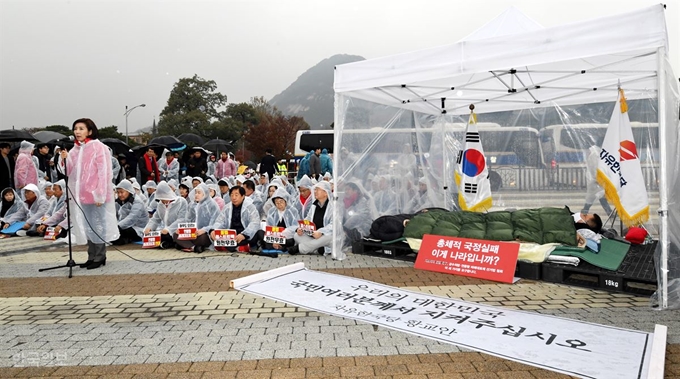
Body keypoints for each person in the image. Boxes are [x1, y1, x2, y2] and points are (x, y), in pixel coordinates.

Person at [60, 118, 118, 269]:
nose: (77, 132)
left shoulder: (99, 147)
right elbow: (69, 171)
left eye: (81, 128)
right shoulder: (75, 149)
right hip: (81, 195)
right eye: (75, 128)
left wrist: (100, 194)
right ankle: (91, 255)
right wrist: (64, 159)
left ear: (90, 131)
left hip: (96, 194)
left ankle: (100, 255)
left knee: (98, 224)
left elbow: (104, 172)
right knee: (87, 224)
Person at [210, 186, 260, 252]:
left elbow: (254, 223)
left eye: (236, 195)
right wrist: (214, 230)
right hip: (231, 235)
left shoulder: (250, 207)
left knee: (258, 234)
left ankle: (231, 247)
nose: (234, 198)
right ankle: (239, 247)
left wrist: (244, 234)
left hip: (245, 234)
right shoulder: (227, 207)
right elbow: (220, 221)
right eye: (232, 195)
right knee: (214, 236)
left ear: (243, 196)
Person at [289, 181, 333, 256]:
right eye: (315, 189)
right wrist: (301, 228)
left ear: (325, 193)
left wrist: (321, 232)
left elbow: (333, 225)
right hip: (314, 236)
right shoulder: (314, 206)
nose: (315, 191)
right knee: (297, 235)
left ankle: (301, 248)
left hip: (326, 236)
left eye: (318, 189)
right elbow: (308, 219)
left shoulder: (332, 207)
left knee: (329, 237)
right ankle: (318, 249)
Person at [251, 187, 300, 254]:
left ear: (286, 201)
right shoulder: (272, 211)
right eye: (276, 202)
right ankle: (275, 246)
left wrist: (285, 232)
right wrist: (274, 239)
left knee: (292, 240)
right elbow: (269, 227)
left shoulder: (292, 211)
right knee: (260, 232)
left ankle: (272, 246)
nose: (279, 204)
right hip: (273, 237)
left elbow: (295, 226)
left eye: (281, 202)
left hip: (286, 237)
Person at [177, 183, 220, 253]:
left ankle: (186, 245)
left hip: (205, 234)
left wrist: (204, 230)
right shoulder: (192, 205)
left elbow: (216, 224)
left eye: (199, 193)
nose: (196, 195)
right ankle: (193, 247)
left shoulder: (213, 205)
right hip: (192, 233)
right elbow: (187, 220)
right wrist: (182, 229)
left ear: (205, 194)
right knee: (176, 235)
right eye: (196, 192)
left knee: (202, 238)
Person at [144, 181, 186, 249]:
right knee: (149, 236)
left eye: (163, 198)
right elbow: (155, 219)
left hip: (177, 230)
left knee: (171, 236)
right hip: (164, 231)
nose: (162, 201)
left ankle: (169, 242)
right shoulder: (161, 204)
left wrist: (168, 229)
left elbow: (181, 219)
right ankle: (166, 243)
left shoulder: (181, 202)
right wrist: (149, 228)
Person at [111, 179, 148, 246]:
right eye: (118, 192)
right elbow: (113, 214)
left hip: (138, 228)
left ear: (128, 191)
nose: (119, 195)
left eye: (122, 192)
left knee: (122, 232)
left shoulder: (137, 202)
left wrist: (118, 226)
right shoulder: (119, 201)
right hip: (123, 225)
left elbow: (132, 218)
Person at [582, 146, 613, 216]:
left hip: (595, 180)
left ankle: (609, 212)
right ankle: (585, 210)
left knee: (599, 196)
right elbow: (594, 168)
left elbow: (594, 167)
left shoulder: (594, 153)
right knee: (597, 196)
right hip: (595, 180)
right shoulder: (594, 153)